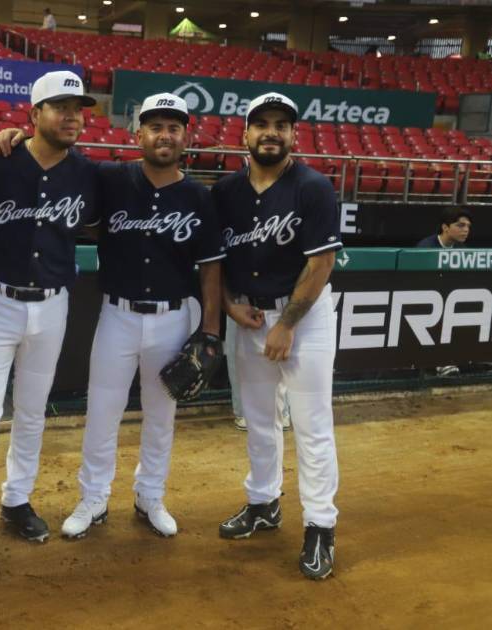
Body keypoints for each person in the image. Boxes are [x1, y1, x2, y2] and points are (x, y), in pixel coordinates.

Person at [58, 94, 225, 539]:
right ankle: (93, 497)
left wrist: (210, 329)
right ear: (138, 135)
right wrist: (16, 136)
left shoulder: (198, 196)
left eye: (173, 127)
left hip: (173, 318)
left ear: (185, 137)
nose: (164, 135)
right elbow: (60, 161)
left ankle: (150, 495)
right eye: (155, 127)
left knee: (160, 415)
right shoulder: (112, 178)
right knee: (102, 410)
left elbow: (211, 266)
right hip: (118, 314)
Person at [0, 70, 99, 555]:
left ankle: (17, 500)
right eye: (61, 107)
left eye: (78, 109)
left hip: (53, 304)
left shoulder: (87, 173)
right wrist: (5, 137)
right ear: (35, 114)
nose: (72, 117)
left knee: (33, 411)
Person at [211, 92, 342, 580]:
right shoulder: (225, 191)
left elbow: (321, 263)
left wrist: (286, 324)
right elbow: (217, 260)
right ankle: (263, 503)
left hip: (303, 318)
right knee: (259, 420)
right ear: (245, 133)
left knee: (311, 424)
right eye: (262, 123)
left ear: (292, 134)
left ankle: (321, 525)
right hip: (249, 316)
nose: (271, 132)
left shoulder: (313, 187)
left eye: (281, 125)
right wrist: (229, 304)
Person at [417, 207, 472, 376]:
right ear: (445, 227)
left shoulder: (463, 250)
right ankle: (441, 361)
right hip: (425, 302)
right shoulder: (426, 248)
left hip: (451, 298)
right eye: (460, 225)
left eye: (468, 226)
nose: (465, 230)